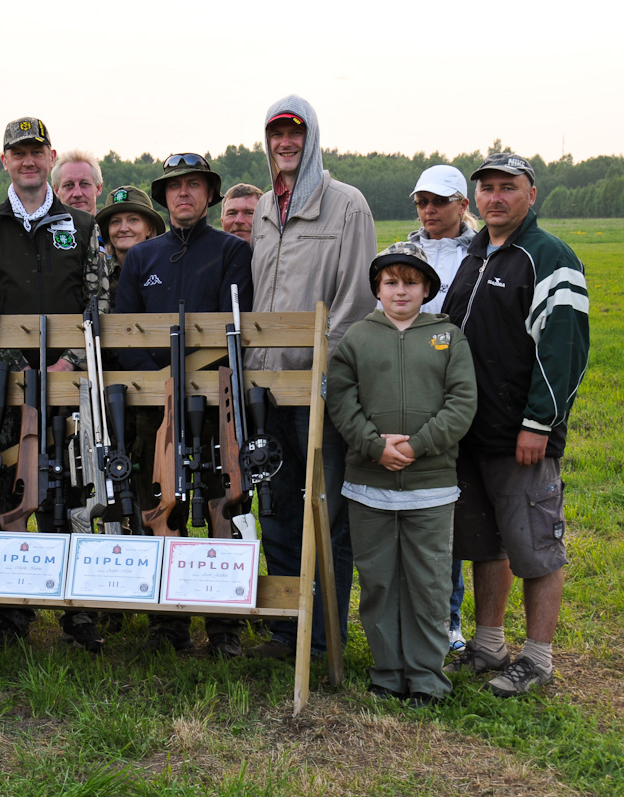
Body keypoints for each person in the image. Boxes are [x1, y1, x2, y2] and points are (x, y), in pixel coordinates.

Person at [442, 153, 589, 697]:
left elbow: (564, 346)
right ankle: (488, 643)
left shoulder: (548, 255)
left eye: (508, 188)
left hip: (522, 435)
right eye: (487, 189)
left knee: (535, 547)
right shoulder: (474, 253)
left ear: (532, 195)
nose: (495, 198)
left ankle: (539, 658)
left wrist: (539, 423)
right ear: (475, 199)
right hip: (471, 432)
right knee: (486, 544)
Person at [0, 117, 108, 652]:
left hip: (71, 385)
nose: (27, 161)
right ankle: (12, 607)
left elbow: (101, 304)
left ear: (49, 157)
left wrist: (69, 363)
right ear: (5, 160)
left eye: (35, 151)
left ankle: (79, 610)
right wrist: (16, 369)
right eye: (17, 152)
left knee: (75, 490)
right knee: (8, 489)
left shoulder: (84, 228)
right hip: (9, 386)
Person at [245, 95, 377, 660]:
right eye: (276, 134)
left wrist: (324, 376)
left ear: (313, 137)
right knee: (274, 505)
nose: (285, 143)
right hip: (265, 390)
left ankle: (324, 637)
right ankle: (284, 630)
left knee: (323, 512)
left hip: (316, 390)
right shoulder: (262, 211)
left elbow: (356, 302)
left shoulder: (347, 206)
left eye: (295, 133)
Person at [114, 153, 253, 658]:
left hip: (216, 403)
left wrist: (190, 376)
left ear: (209, 194)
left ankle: (223, 624)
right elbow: (124, 330)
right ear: (164, 197)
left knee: (222, 500)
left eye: (194, 185)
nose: (184, 194)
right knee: (157, 504)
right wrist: (159, 380)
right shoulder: (142, 257)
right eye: (175, 187)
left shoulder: (231, 253)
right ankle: (165, 621)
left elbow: (237, 321)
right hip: (154, 406)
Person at [327, 242, 477, 706]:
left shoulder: (448, 337)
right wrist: (374, 447)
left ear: (427, 287)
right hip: (369, 486)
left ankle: (427, 678)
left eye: (411, 282)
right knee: (379, 582)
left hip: (430, 487)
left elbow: (462, 403)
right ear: (377, 288)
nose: (400, 290)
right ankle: (388, 673)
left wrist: (416, 445)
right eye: (391, 282)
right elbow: (341, 400)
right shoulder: (356, 338)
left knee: (429, 584)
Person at [406, 164, 479, 651]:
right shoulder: (402, 252)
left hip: (460, 387)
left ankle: (448, 619)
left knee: (449, 510)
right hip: (409, 389)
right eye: (422, 202)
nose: (430, 210)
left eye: (440, 201)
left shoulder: (484, 252)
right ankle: (407, 616)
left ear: (462, 205)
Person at [94, 184, 164, 298]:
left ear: (149, 229)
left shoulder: (165, 270)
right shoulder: (97, 275)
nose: (123, 228)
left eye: (133, 220)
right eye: (116, 222)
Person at [51, 149, 103, 215]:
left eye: (84, 184)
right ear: (56, 191)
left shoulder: (115, 225)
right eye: (68, 185)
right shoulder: (43, 225)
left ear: (98, 188)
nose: (77, 194)